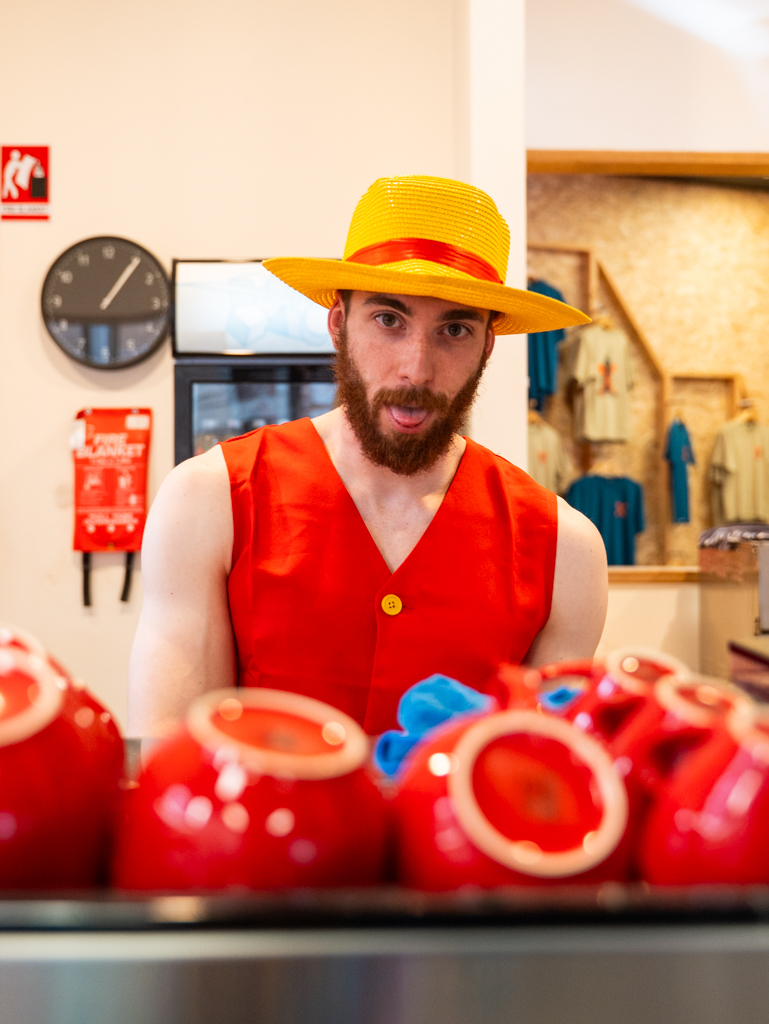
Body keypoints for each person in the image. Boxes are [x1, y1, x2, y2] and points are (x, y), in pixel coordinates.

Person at [128, 175, 606, 739]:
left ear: (487, 346)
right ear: (338, 324)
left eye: (454, 329)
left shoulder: (563, 549)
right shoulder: (211, 500)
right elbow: (174, 754)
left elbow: (543, 769)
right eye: (389, 320)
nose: (416, 369)